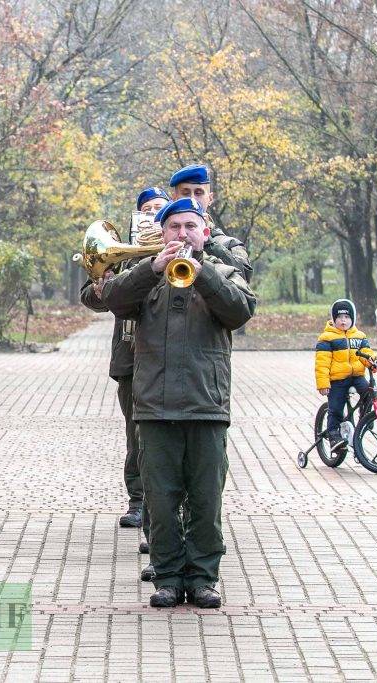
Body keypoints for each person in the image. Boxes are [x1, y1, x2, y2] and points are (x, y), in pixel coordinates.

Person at [103, 197, 256, 609]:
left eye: (191, 226)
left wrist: (204, 275)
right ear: (162, 233)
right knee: (161, 502)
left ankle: (203, 578)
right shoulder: (145, 275)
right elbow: (109, 297)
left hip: (206, 407)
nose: (182, 233)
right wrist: (151, 268)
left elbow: (240, 310)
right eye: (174, 227)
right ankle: (168, 578)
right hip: (154, 410)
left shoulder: (224, 270)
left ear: (204, 232)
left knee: (206, 501)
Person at [80, 187, 166, 584]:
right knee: (136, 434)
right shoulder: (121, 250)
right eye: (146, 210)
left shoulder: (173, 247)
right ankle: (138, 500)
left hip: (164, 355)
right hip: (131, 357)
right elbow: (92, 297)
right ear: (136, 216)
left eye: (157, 210)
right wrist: (106, 283)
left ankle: (160, 513)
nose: (151, 216)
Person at [315, 299, 377, 454]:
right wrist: (323, 383)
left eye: (347, 317)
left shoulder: (359, 336)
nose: (343, 320)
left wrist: (374, 360)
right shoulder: (327, 338)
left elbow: (366, 354)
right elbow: (322, 363)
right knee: (336, 408)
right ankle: (333, 435)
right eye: (339, 317)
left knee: (369, 393)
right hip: (338, 379)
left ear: (353, 319)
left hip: (357, 375)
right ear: (333, 319)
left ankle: (365, 418)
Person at [169, 164, 253, 283]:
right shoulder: (163, 236)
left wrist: (207, 241)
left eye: (198, 193)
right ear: (174, 198)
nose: (192, 199)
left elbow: (245, 275)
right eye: (186, 193)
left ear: (210, 198)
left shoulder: (230, 244)